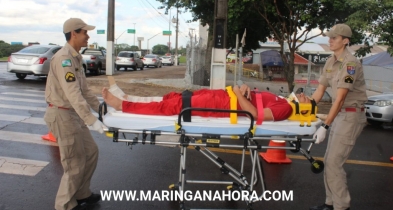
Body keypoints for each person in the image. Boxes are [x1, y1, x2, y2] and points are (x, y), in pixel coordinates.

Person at [44, 18, 106, 210]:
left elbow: (85, 91)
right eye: (85, 32)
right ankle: (64, 205)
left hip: (73, 115)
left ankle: (82, 193)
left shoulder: (76, 58)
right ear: (74, 33)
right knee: (74, 161)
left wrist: (102, 111)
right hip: (62, 115)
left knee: (91, 152)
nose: (88, 36)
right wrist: (91, 120)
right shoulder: (63, 59)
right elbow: (73, 94)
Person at [308, 24, 367, 210]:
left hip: (351, 115)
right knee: (329, 160)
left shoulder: (351, 64)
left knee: (334, 162)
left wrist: (325, 126)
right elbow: (319, 92)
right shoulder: (331, 62)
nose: (330, 40)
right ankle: (330, 204)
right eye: (329, 37)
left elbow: (341, 98)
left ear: (345, 40)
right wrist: (302, 108)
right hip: (340, 115)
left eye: (335, 37)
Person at [102, 83, 313, 122]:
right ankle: (131, 100)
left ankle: (123, 106)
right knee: (177, 96)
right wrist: (246, 88)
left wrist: (239, 94)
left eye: (306, 99)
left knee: (176, 106)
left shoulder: (285, 108)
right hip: (224, 96)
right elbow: (256, 103)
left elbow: (256, 116)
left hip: (224, 105)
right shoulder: (283, 100)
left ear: (304, 108)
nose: (303, 95)